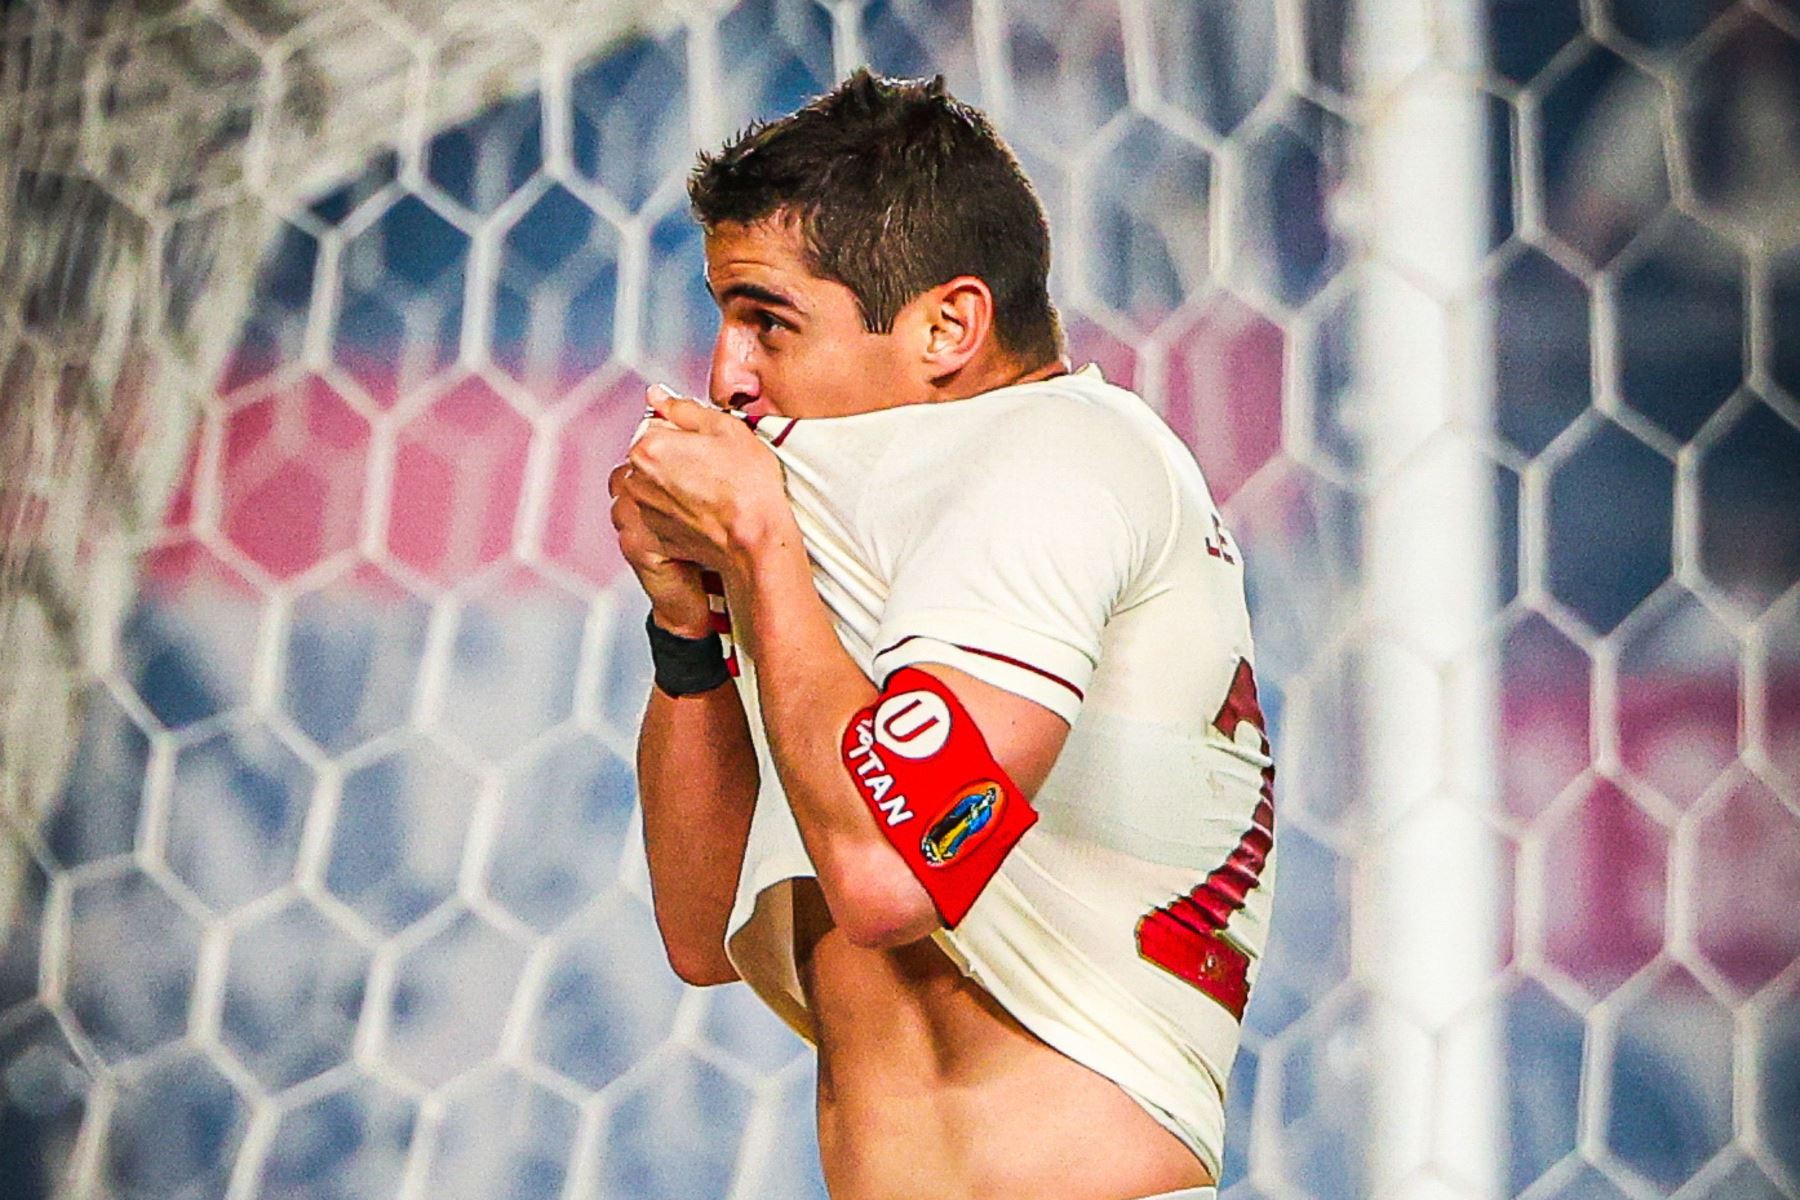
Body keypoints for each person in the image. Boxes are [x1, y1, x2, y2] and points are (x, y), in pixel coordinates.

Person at [608, 70, 1274, 1200]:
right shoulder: (860, 557)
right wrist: (687, 626)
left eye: (768, 319)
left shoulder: (1063, 457)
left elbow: (887, 876)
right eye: (724, 320)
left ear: (948, 325)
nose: (728, 375)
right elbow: (696, 924)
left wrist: (763, 545)